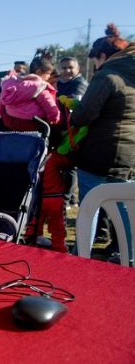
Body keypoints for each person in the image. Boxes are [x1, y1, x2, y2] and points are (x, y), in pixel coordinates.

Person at [70, 23, 134, 256]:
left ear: (103, 56)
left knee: (90, 207)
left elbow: (84, 115)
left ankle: (80, 255)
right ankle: (129, 255)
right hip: (129, 157)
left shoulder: (107, 75)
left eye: (95, 60)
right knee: (126, 209)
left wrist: (75, 111)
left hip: (100, 152)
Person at [0, 48, 61, 132]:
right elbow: (49, 106)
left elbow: (2, 100)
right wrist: (54, 119)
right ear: (39, 71)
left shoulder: (14, 84)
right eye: (48, 73)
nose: (49, 77)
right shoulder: (39, 87)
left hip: (9, 120)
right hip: (30, 123)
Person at [56, 56, 89, 206]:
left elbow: (75, 106)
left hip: (75, 131)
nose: (67, 71)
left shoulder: (79, 84)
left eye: (70, 67)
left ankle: (67, 199)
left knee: (70, 166)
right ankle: (70, 197)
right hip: (64, 128)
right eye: (64, 68)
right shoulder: (60, 83)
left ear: (78, 69)